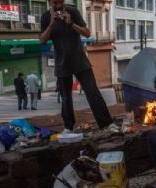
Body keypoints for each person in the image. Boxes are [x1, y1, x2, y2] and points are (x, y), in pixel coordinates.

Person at [39, 0, 118, 133]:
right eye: (54, 3)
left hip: (80, 61)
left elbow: (87, 33)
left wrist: (71, 23)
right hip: (62, 63)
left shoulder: (73, 12)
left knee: (93, 93)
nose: (58, 5)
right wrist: (52, 24)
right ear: (50, 2)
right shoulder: (46, 17)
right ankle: (68, 127)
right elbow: (42, 40)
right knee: (66, 98)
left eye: (60, 2)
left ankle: (106, 123)